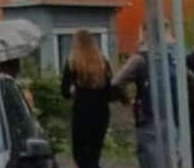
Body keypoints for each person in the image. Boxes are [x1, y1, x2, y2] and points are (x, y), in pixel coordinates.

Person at [114, 22, 178, 168]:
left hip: (148, 118)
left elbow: (116, 83)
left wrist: (127, 100)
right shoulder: (177, 55)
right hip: (175, 117)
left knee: (150, 159)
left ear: (145, 33)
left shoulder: (140, 58)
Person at [62, 30, 113, 168]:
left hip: (82, 112)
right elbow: (110, 92)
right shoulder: (103, 63)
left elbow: (64, 91)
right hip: (101, 113)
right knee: (94, 153)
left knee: (80, 155)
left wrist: (74, 92)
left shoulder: (73, 63)